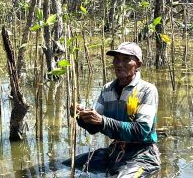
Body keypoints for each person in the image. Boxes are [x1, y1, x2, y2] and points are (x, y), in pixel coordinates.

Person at [63, 42, 161, 177]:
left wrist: (102, 121)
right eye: (117, 59)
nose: (119, 64)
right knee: (69, 164)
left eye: (126, 60)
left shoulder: (147, 90)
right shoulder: (107, 89)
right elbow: (94, 127)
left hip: (142, 154)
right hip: (114, 150)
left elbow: (141, 131)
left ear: (138, 65)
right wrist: (80, 116)